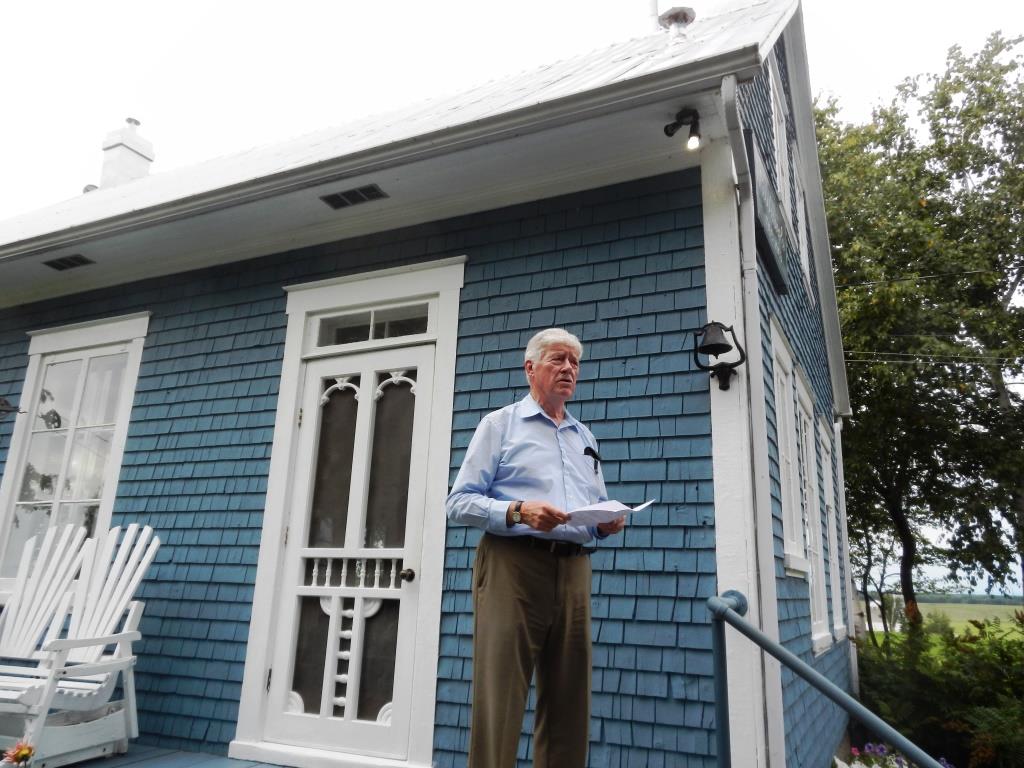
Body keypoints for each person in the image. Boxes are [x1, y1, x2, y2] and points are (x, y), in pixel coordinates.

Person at [446, 327, 626, 768]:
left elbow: (591, 505)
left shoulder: (585, 437)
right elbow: (459, 502)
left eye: (575, 363)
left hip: (574, 572)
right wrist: (518, 512)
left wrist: (605, 523)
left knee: (569, 703)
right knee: (500, 700)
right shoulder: (500, 425)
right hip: (514, 567)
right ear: (531, 368)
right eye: (558, 360)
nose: (569, 369)